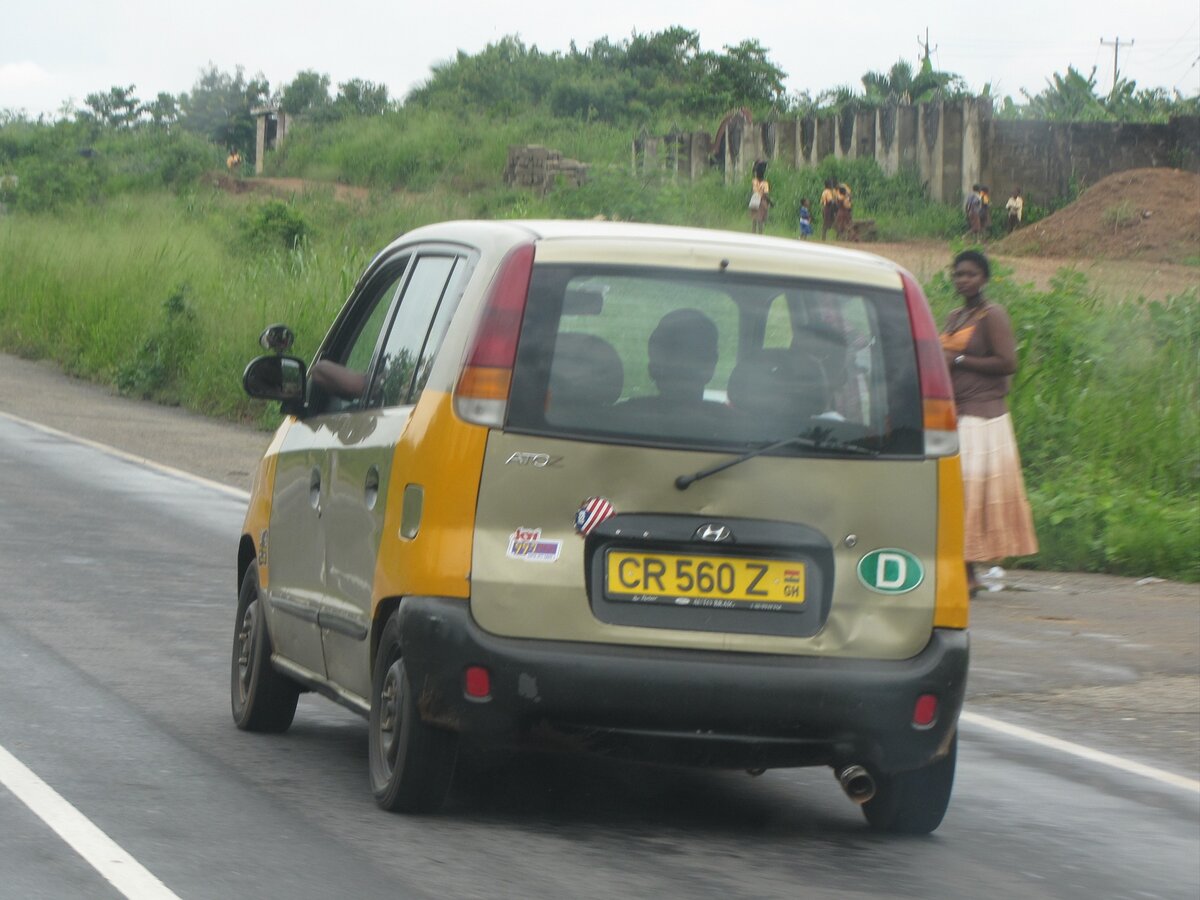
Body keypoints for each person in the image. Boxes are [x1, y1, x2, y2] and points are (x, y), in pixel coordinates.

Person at [939, 249, 1038, 594]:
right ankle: (966, 572)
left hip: (982, 418)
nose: (962, 279)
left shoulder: (992, 314)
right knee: (960, 496)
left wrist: (962, 359)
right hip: (958, 412)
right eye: (957, 274)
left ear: (984, 278)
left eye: (969, 274)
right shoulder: (955, 316)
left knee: (968, 495)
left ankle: (968, 574)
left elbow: (1007, 362)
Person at [749, 160, 773, 234]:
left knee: (754, 219)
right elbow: (765, 195)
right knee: (760, 220)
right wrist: (771, 202)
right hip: (762, 203)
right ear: (764, 173)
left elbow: (753, 174)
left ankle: (753, 233)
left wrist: (755, 166)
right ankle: (760, 234)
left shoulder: (754, 181)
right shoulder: (765, 183)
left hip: (754, 200)